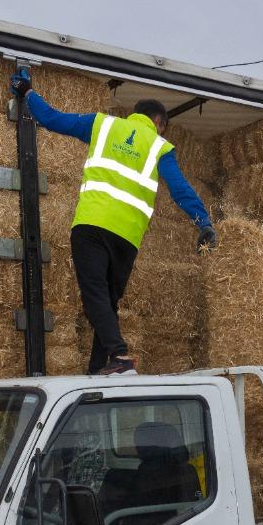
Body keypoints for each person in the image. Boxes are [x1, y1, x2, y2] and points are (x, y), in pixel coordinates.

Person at [12, 68, 216, 377]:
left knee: (95, 296)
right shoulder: (160, 147)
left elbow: (52, 119)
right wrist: (203, 222)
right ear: (159, 123)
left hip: (92, 225)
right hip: (127, 239)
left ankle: (119, 356)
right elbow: (180, 189)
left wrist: (27, 91)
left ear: (136, 115)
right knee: (107, 301)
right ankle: (100, 367)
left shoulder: (103, 125)